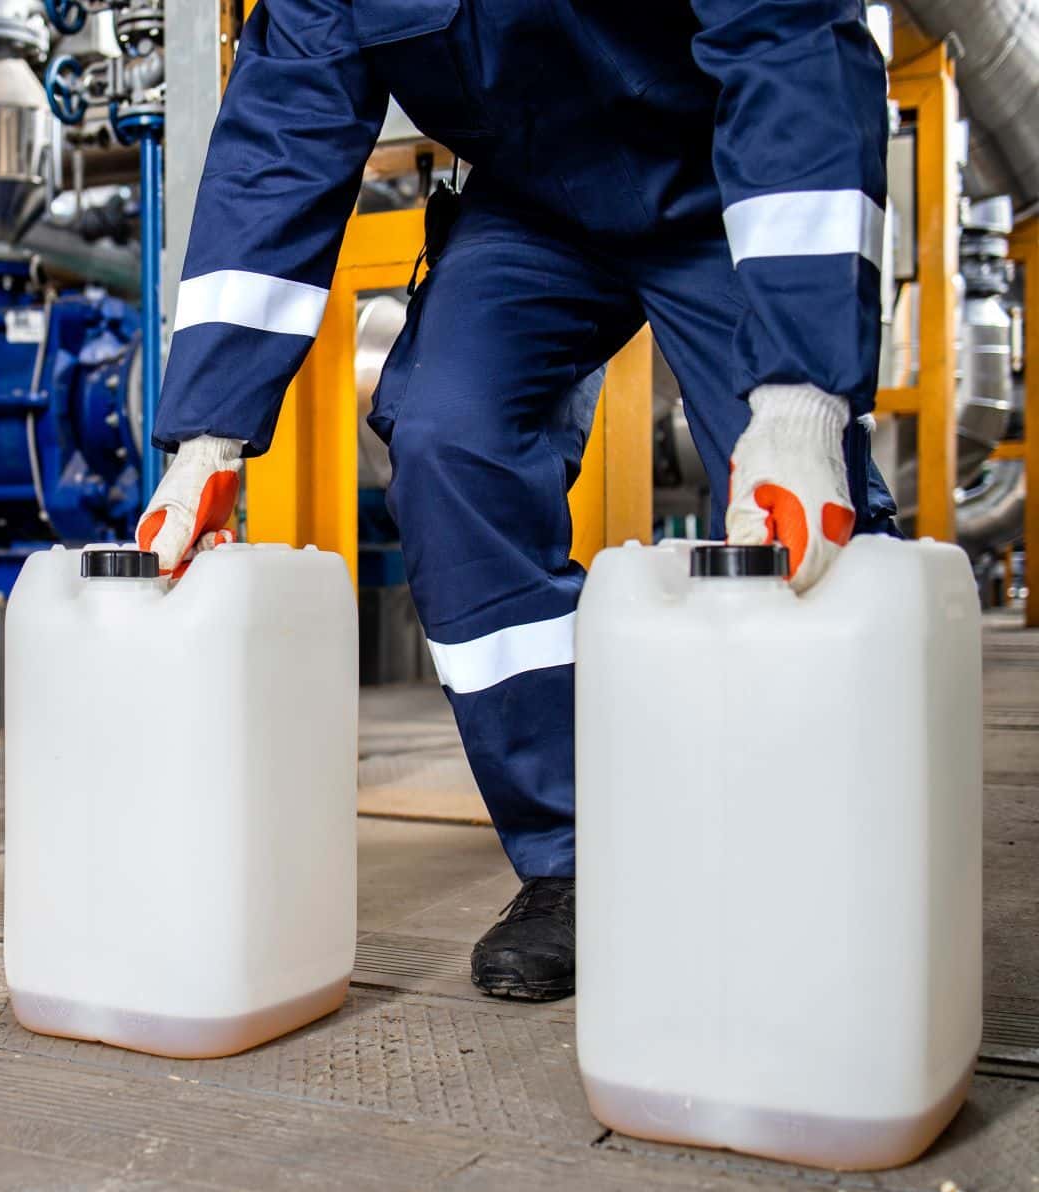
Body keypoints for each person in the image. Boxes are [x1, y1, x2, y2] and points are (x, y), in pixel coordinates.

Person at [135, 0, 900, 1001]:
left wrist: (802, 392)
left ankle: (842, 864)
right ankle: (578, 856)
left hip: (725, 155)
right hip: (538, 203)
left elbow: (787, 41)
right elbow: (283, 131)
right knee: (450, 443)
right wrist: (208, 433)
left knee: (804, 508)